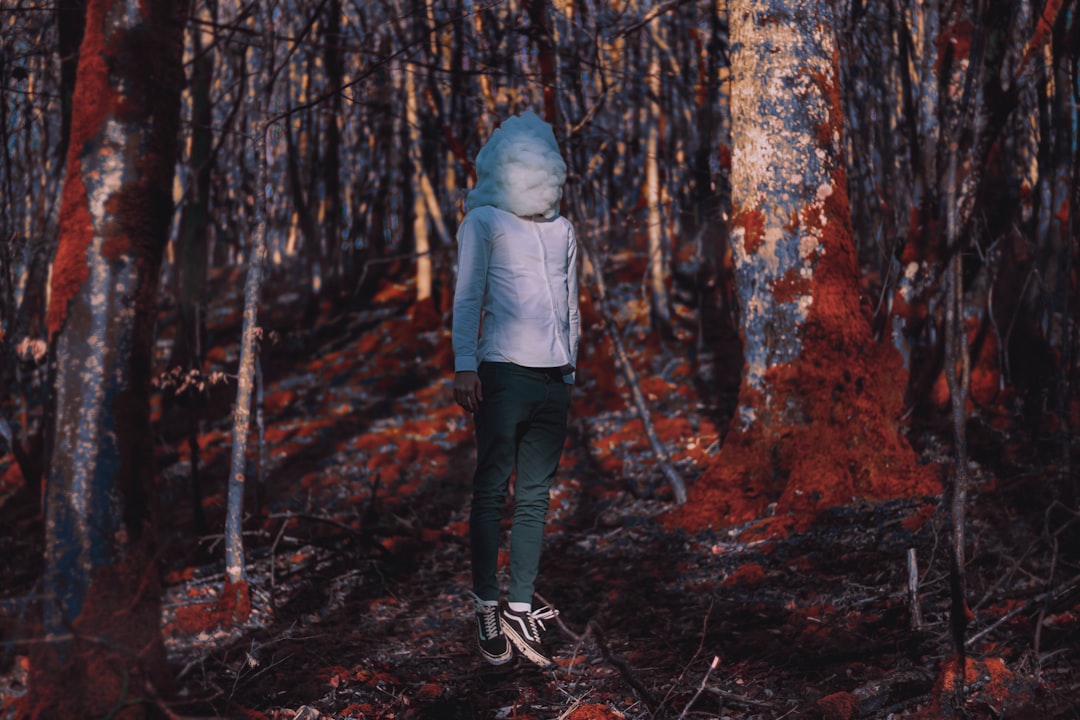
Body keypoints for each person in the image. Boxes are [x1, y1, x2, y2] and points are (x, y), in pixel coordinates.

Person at [451, 111, 580, 668]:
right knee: (490, 489)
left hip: (554, 379)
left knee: (534, 497)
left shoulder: (564, 230)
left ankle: (520, 608)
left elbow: (572, 303)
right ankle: (485, 605)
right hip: (501, 373)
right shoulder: (483, 223)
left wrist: (572, 366)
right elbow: (467, 295)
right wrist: (464, 365)